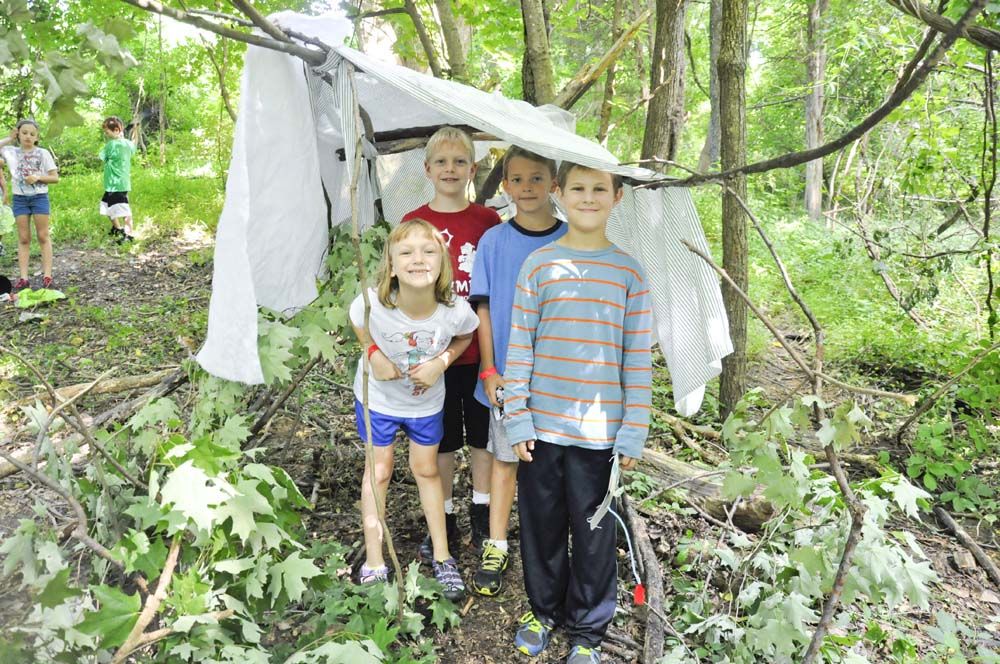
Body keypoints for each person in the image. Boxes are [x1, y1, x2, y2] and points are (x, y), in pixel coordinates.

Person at [504, 162, 653, 664]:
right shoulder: (539, 265)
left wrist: (634, 428)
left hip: (600, 436)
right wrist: (517, 418)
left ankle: (589, 630)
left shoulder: (628, 271)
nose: (588, 198)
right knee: (542, 527)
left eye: (598, 189)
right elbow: (519, 346)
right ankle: (544, 611)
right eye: (578, 189)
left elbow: (637, 356)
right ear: (559, 194)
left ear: (617, 197)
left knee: (594, 535)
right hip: (541, 431)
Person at [350, 219, 480, 602]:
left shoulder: (453, 310)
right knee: (379, 470)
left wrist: (441, 362)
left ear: (442, 264)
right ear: (391, 265)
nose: (418, 259)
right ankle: (375, 561)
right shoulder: (372, 300)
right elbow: (358, 322)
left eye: (428, 251)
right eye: (406, 252)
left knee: (426, 469)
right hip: (379, 399)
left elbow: (466, 335)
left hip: (425, 403)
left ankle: (442, 556)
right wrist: (374, 355)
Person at [468, 147, 566, 596]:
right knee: (505, 459)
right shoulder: (494, 242)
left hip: (559, 374)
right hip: (508, 374)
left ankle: (551, 544)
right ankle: (497, 542)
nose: (527, 189)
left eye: (537, 179)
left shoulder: (571, 239)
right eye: (518, 180)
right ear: (504, 186)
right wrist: (489, 370)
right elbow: (482, 310)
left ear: (554, 186)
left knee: (552, 465)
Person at [402, 126, 500, 557]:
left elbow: (494, 287)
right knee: (440, 443)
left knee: (482, 439)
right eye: (441, 161)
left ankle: (481, 513)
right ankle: (443, 517)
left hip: (480, 353)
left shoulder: (487, 221)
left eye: (459, 161)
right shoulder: (414, 224)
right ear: (427, 169)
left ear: (472, 169)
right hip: (433, 354)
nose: (450, 169)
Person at [0, 120, 59, 290]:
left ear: (37, 137)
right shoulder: (10, 151)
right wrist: (9, 139)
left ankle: (47, 275)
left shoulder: (43, 153)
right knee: (24, 238)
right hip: (20, 199)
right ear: (18, 133)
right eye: (24, 132)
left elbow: (55, 177)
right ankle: (24, 278)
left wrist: (38, 177)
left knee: (43, 235)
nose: (28, 136)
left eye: (32, 134)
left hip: (39, 197)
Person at [99, 116, 137, 242]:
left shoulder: (111, 145)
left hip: (117, 184)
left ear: (116, 130)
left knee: (124, 210)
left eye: (107, 132)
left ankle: (129, 235)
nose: (106, 134)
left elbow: (102, 157)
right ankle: (117, 228)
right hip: (115, 184)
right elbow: (133, 149)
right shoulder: (129, 144)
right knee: (107, 207)